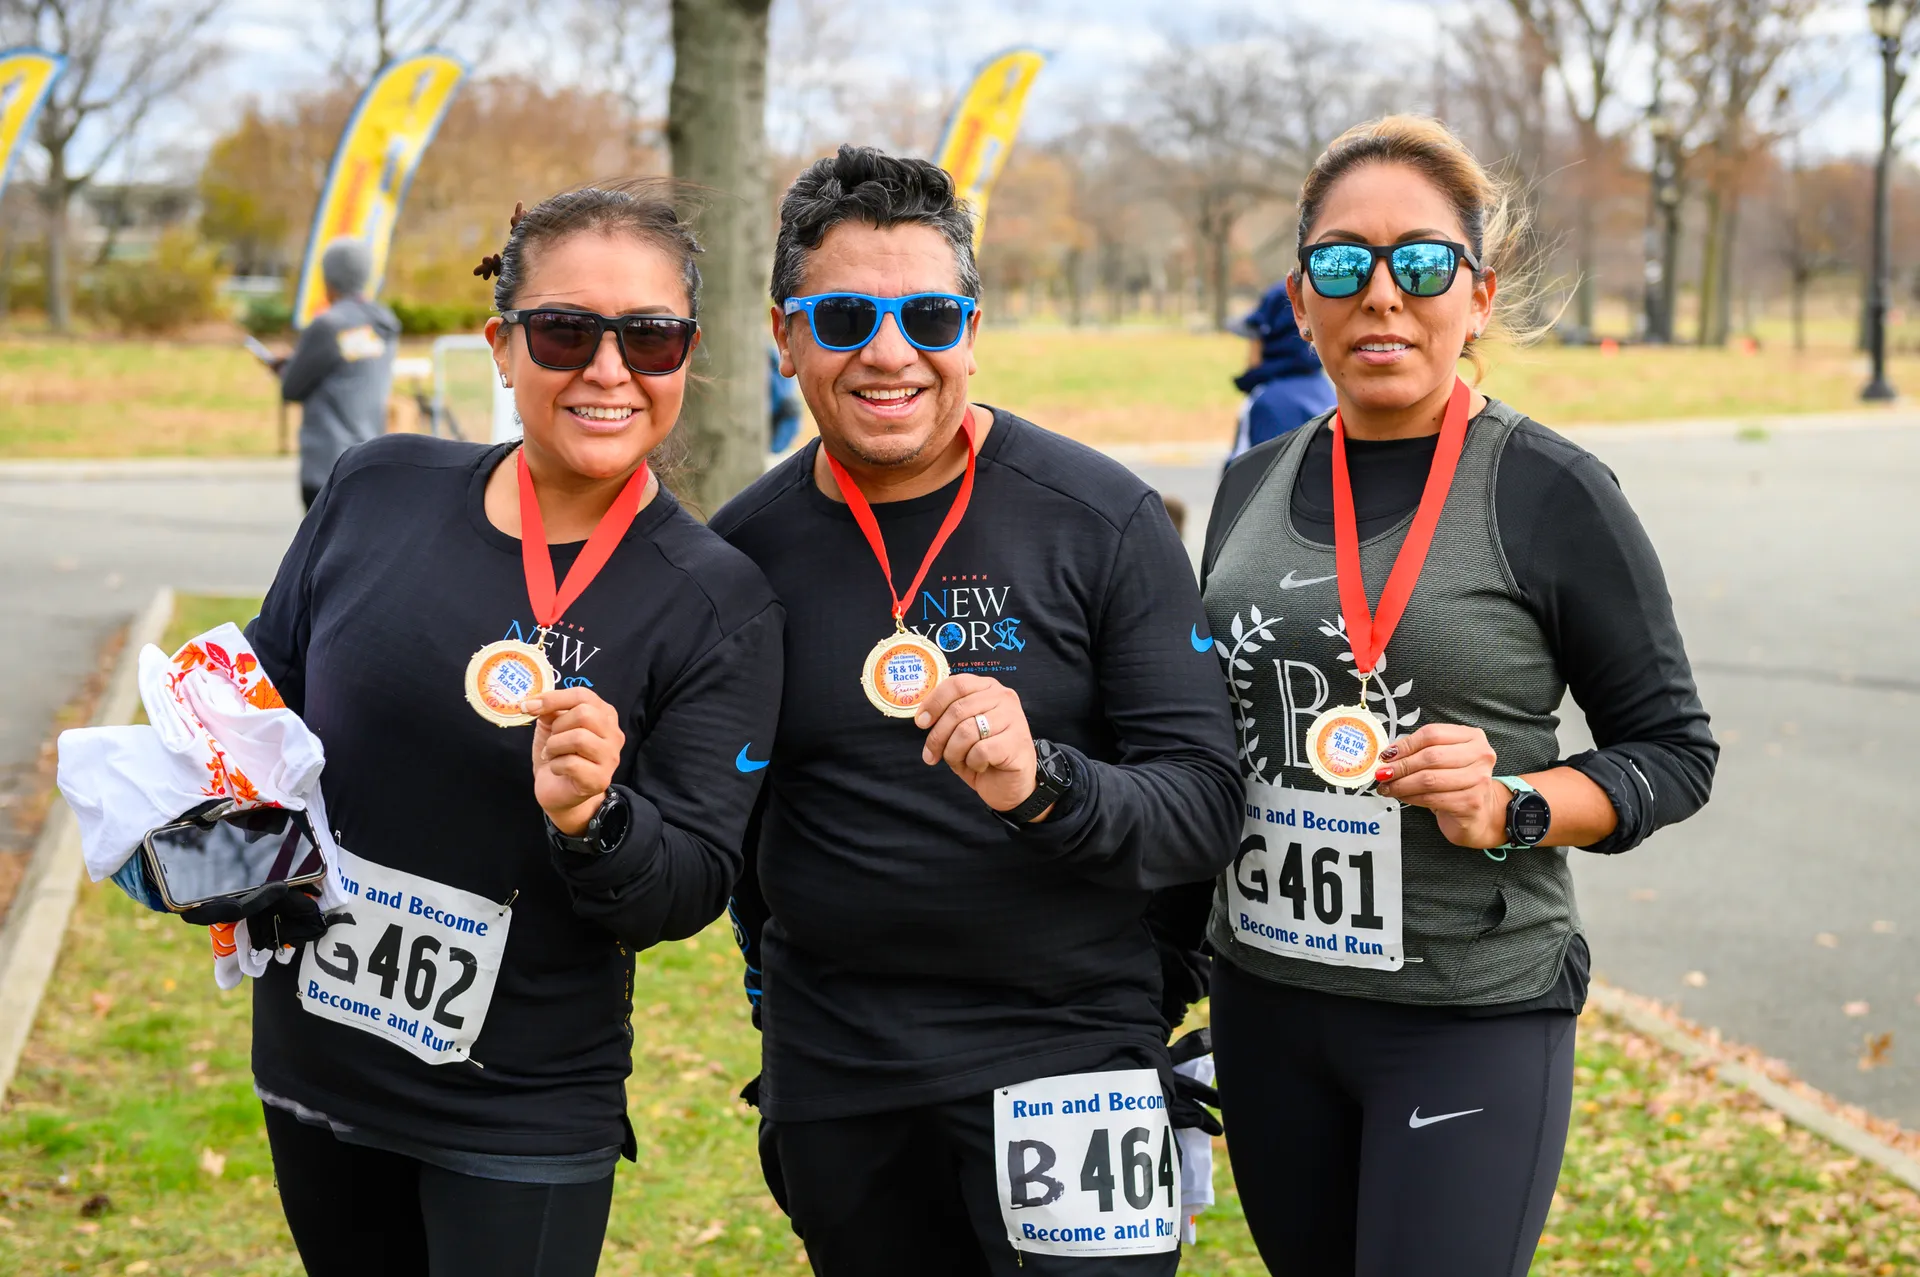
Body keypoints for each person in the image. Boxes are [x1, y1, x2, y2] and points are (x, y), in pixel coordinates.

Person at [1197, 116, 1717, 1276]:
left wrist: (1515, 804)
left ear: (1477, 296)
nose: (1381, 292)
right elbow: (1207, 742)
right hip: (1266, 996)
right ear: (1301, 300)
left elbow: (1674, 751)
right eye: (1343, 262)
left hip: (1466, 1010)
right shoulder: (1246, 486)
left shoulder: (1550, 489)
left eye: (1423, 261)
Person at [710, 145, 1242, 1276]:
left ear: (972, 328)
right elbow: (733, 823)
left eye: (929, 316)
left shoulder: (1100, 518)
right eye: (844, 317)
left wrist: (1046, 784)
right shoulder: (741, 552)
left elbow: (1204, 804)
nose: (889, 352)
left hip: (1069, 1050)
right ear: (785, 335)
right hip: (842, 1067)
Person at [243, 183, 785, 1277]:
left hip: (519, 1104)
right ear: (501, 347)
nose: (608, 369)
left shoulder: (718, 602)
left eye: (651, 337)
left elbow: (687, 885)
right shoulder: (376, 488)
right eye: (565, 331)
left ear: (687, 356)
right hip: (316, 1057)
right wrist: (190, 826)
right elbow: (258, 712)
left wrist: (596, 819)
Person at [275, 238, 401, 509]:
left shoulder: (327, 326)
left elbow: (292, 388)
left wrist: (284, 368)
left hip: (327, 464)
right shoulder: (384, 324)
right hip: (369, 458)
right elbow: (350, 366)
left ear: (328, 278)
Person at [1226, 281, 1336, 462]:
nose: (1248, 353)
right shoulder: (1323, 386)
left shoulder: (1271, 403)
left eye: (1254, 338)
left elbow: (1261, 474)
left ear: (1273, 338)